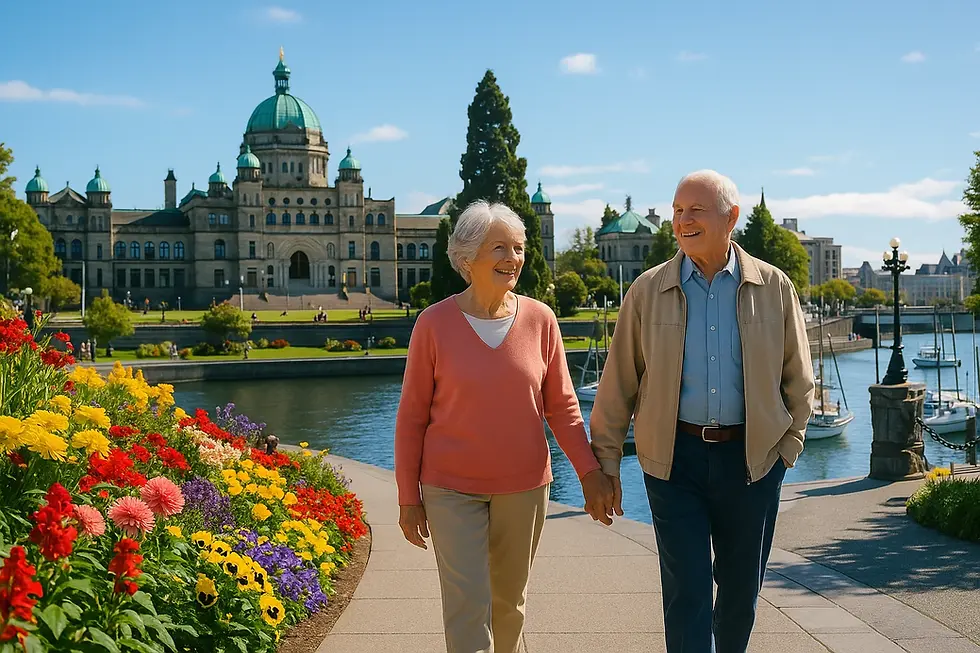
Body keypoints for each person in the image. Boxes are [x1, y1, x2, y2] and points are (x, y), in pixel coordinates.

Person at [590, 170, 815, 653]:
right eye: (676, 210)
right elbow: (617, 386)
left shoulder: (774, 287)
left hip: (753, 462)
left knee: (739, 594)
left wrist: (787, 450)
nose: (682, 220)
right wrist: (605, 464)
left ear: (730, 217)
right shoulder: (647, 291)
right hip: (674, 461)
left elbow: (799, 379)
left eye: (695, 210)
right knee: (686, 590)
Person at [395, 200, 616, 653]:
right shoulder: (433, 324)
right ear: (467, 256)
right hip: (449, 489)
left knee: (509, 604)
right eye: (500, 247)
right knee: (467, 606)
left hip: (525, 487)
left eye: (518, 248)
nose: (513, 258)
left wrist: (589, 473)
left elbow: (563, 408)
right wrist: (407, 498)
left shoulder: (541, 319)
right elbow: (412, 417)